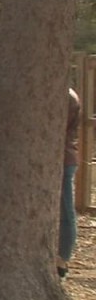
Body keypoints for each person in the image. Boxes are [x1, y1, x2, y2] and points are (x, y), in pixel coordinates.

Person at [59, 88, 81, 279]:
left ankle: (62, 261)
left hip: (63, 161)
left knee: (66, 213)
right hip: (58, 161)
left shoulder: (66, 97)